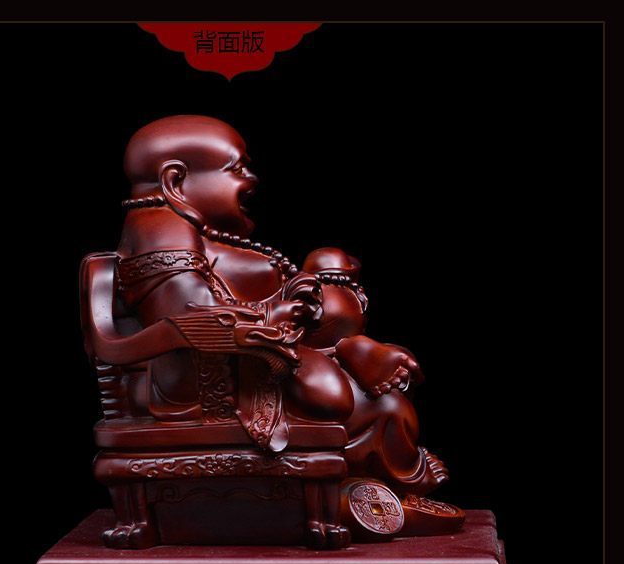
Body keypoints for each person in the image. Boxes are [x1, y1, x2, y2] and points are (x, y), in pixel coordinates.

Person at [111, 115, 449, 519]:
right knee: (368, 404)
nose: (251, 179)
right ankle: (377, 490)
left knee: (377, 395)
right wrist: (272, 312)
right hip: (209, 383)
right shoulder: (158, 226)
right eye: (236, 168)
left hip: (248, 357)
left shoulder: (182, 228)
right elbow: (186, 311)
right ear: (175, 181)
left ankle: (378, 462)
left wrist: (295, 295)